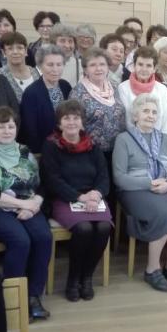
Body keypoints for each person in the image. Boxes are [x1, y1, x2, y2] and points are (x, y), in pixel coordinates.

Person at [0, 106, 51, 321]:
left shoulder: (25, 152)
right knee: (20, 240)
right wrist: (21, 204)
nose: (6, 131)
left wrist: (34, 204)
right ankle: (13, 299)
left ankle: (33, 296)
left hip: (27, 206)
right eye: (0, 127)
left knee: (43, 237)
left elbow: (41, 185)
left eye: (11, 126)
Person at [112, 93, 167, 292]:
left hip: (164, 187)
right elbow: (119, 177)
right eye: (145, 111)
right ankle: (152, 269)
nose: (150, 115)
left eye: (154, 112)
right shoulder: (123, 139)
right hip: (135, 189)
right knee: (163, 214)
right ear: (135, 115)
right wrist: (149, 183)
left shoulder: (165, 139)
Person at [40, 100, 111, 301]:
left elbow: (104, 176)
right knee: (84, 228)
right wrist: (79, 197)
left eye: (76, 118)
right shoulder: (51, 146)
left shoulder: (92, 145)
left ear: (82, 122)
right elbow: (52, 180)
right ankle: (73, 279)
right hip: (64, 198)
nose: (71, 122)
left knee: (104, 227)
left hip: (93, 197)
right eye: (66, 118)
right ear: (59, 123)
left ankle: (86, 277)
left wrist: (96, 194)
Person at [70, 47, 126, 160]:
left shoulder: (115, 87)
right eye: (93, 65)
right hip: (91, 154)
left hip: (118, 151)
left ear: (108, 67)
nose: (98, 68)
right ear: (85, 70)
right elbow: (74, 126)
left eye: (102, 64)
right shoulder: (77, 93)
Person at [19, 45, 72, 153]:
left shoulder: (65, 86)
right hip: (45, 149)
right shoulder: (31, 93)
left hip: (68, 146)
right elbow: (30, 129)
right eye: (50, 65)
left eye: (59, 64)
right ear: (40, 66)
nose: (55, 69)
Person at [117, 46, 167, 135]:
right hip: (132, 139)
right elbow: (125, 120)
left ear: (154, 69)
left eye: (149, 65)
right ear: (134, 66)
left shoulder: (162, 89)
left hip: (158, 139)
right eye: (140, 64)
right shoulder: (123, 88)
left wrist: (162, 140)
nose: (144, 69)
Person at [0, 32, 40, 102]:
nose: (15, 52)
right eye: (10, 48)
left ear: (26, 51)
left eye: (20, 48)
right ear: (3, 52)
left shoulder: (38, 73)